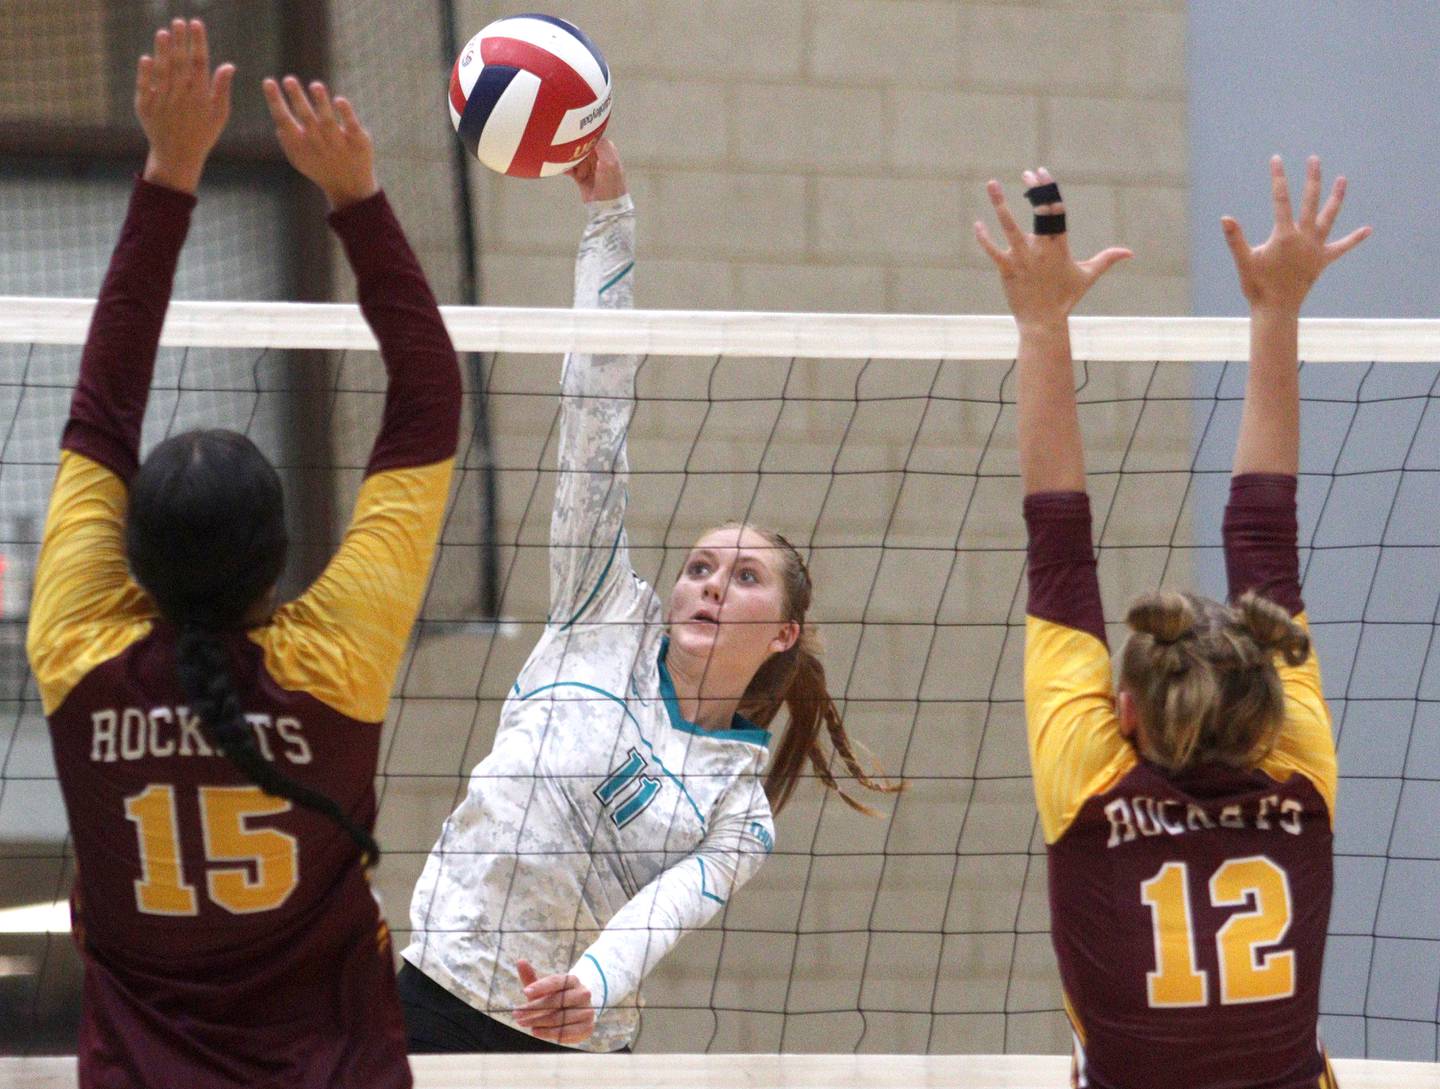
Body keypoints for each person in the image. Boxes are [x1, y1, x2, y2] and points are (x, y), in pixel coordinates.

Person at [26, 19, 460, 1089]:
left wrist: (170, 167)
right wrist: (358, 197)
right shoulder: (332, 661)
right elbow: (430, 401)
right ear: (281, 562)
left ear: (128, 553)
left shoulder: (79, 649)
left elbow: (97, 407)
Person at [400, 137, 898, 1053]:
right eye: (701, 565)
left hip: (569, 1038)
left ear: (785, 632)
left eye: (743, 577)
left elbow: (657, 917)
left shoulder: (737, 813)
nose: (710, 583)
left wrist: (587, 983)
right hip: (436, 985)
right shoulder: (602, 613)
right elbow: (596, 417)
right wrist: (608, 224)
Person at [976, 157, 1368, 1087]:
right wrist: (1277, 312)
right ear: (1266, 703)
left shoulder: (1097, 784)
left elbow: (1069, 537)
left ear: (1123, 712)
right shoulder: (1294, 770)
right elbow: (1079, 543)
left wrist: (1040, 321)